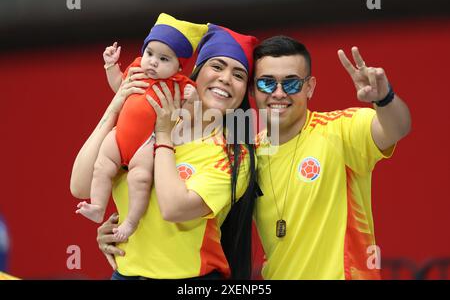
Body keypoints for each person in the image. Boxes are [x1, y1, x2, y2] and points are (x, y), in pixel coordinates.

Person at [71, 23, 259, 279]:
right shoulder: (142, 123)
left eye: (238, 75)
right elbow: (81, 187)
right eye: (216, 66)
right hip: (126, 274)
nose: (225, 78)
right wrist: (115, 107)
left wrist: (163, 134)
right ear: (196, 71)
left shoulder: (234, 155)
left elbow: (173, 209)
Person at [252, 36, 411, 279]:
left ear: (310, 87)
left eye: (292, 83)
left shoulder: (339, 131)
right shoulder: (248, 156)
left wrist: (384, 98)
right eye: (266, 83)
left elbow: (396, 128)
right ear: (253, 89)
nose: (279, 93)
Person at [75, 13, 208, 242]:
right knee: (101, 166)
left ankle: (131, 221)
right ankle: (97, 206)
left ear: (179, 67)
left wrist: (192, 99)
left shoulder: (180, 85)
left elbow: (186, 117)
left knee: (140, 179)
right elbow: (119, 88)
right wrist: (110, 66)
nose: (153, 61)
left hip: (147, 142)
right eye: (149, 53)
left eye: (164, 59)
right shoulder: (136, 69)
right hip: (119, 136)